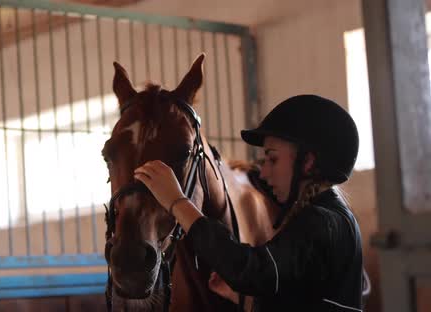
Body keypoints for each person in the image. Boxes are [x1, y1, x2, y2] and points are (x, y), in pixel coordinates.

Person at [134, 94, 364, 311]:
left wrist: (177, 202)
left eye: (272, 159)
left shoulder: (320, 221)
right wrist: (242, 298)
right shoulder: (333, 219)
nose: (262, 172)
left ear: (308, 163)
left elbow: (253, 271)